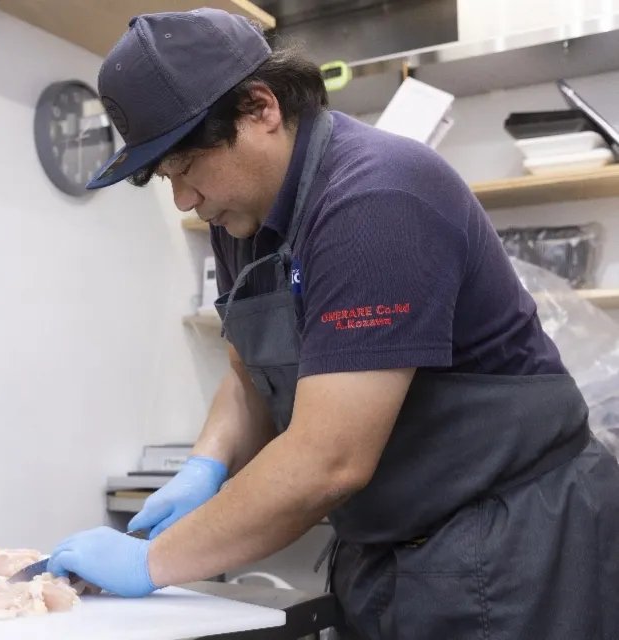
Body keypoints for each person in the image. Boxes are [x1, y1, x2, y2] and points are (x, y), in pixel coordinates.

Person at [45, 8, 619, 639]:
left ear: (260, 108)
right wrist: (203, 465)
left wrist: (149, 561)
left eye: (187, 167)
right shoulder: (240, 217)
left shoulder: (377, 197)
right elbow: (248, 372)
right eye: (166, 178)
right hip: (385, 543)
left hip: (510, 540)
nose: (183, 198)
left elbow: (329, 462)